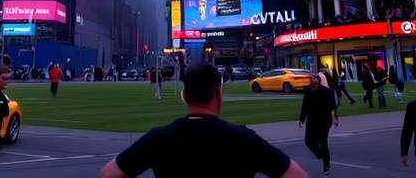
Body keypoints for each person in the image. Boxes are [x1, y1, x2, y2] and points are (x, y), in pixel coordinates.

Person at [99, 64, 307, 178]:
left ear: (184, 96)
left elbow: (108, 174)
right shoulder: (244, 139)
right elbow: (297, 175)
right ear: (219, 95)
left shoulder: (159, 138)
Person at [300, 73, 338, 177]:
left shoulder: (327, 91)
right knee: (308, 141)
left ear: (319, 80)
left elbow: (332, 107)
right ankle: (321, 155)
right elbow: (305, 106)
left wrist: (334, 119)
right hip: (312, 120)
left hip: (324, 121)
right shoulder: (308, 91)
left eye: (315, 78)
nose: (313, 80)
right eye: (311, 78)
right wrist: (301, 119)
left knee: (323, 142)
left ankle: (326, 167)